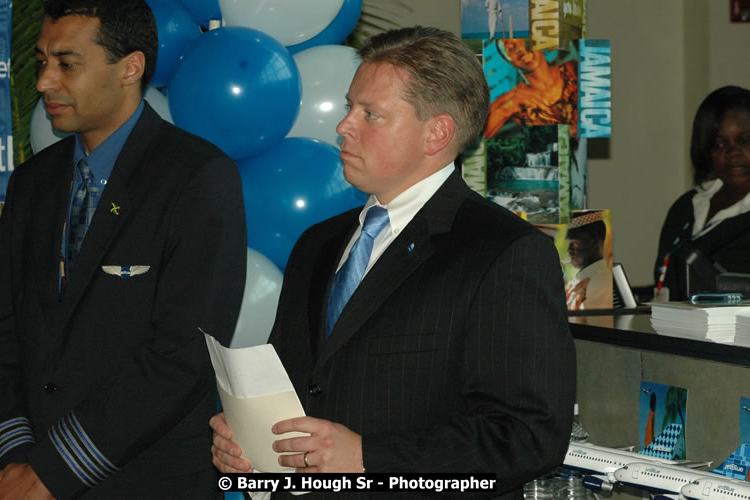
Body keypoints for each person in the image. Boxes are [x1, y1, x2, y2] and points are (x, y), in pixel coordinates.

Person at [211, 26, 576, 499]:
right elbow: (295, 390)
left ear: (437, 133)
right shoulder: (318, 243)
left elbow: (528, 438)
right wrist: (249, 444)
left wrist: (369, 459)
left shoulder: (503, 251)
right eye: (349, 107)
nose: (344, 125)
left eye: (371, 114)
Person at [0, 1, 246, 498]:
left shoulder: (196, 176)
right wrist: (16, 456)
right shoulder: (32, 183)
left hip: (146, 479)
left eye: (67, 64)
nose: (45, 81)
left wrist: (53, 469)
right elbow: (5, 333)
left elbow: (181, 356)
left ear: (130, 67)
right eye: (42, 61)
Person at [654, 86, 750, 301]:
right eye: (719, 144)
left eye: (745, 141)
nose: (733, 152)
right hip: (671, 328)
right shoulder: (686, 206)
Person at [484, 38, 577, 139]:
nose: (518, 48)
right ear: (511, 63)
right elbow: (479, 135)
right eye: (509, 49)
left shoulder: (573, 69)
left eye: (521, 40)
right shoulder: (517, 101)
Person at [564, 211, 612, 310]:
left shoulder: (599, 281)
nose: (569, 249)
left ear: (594, 242)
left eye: (574, 242)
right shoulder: (582, 279)